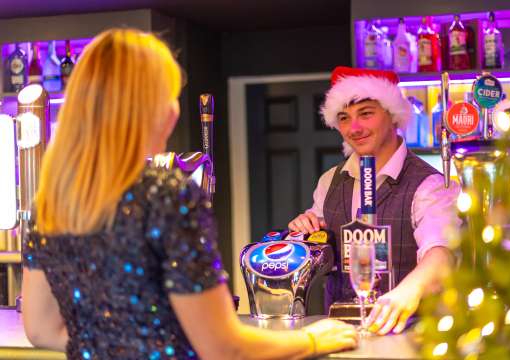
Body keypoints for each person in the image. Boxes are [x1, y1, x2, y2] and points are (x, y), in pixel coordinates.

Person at [21, 29, 357, 359]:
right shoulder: (166, 194)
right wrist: (312, 340)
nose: (174, 109)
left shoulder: (52, 203)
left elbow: (41, 331)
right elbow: (223, 347)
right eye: (168, 95)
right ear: (150, 109)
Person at [289, 66, 461, 336]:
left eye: (366, 114)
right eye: (344, 118)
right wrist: (304, 232)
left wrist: (408, 292)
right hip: (340, 338)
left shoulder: (429, 184)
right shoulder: (330, 181)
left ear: (392, 115)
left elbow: (441, 253)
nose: (354, 128)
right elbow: (316, 246)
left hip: (411, 336)